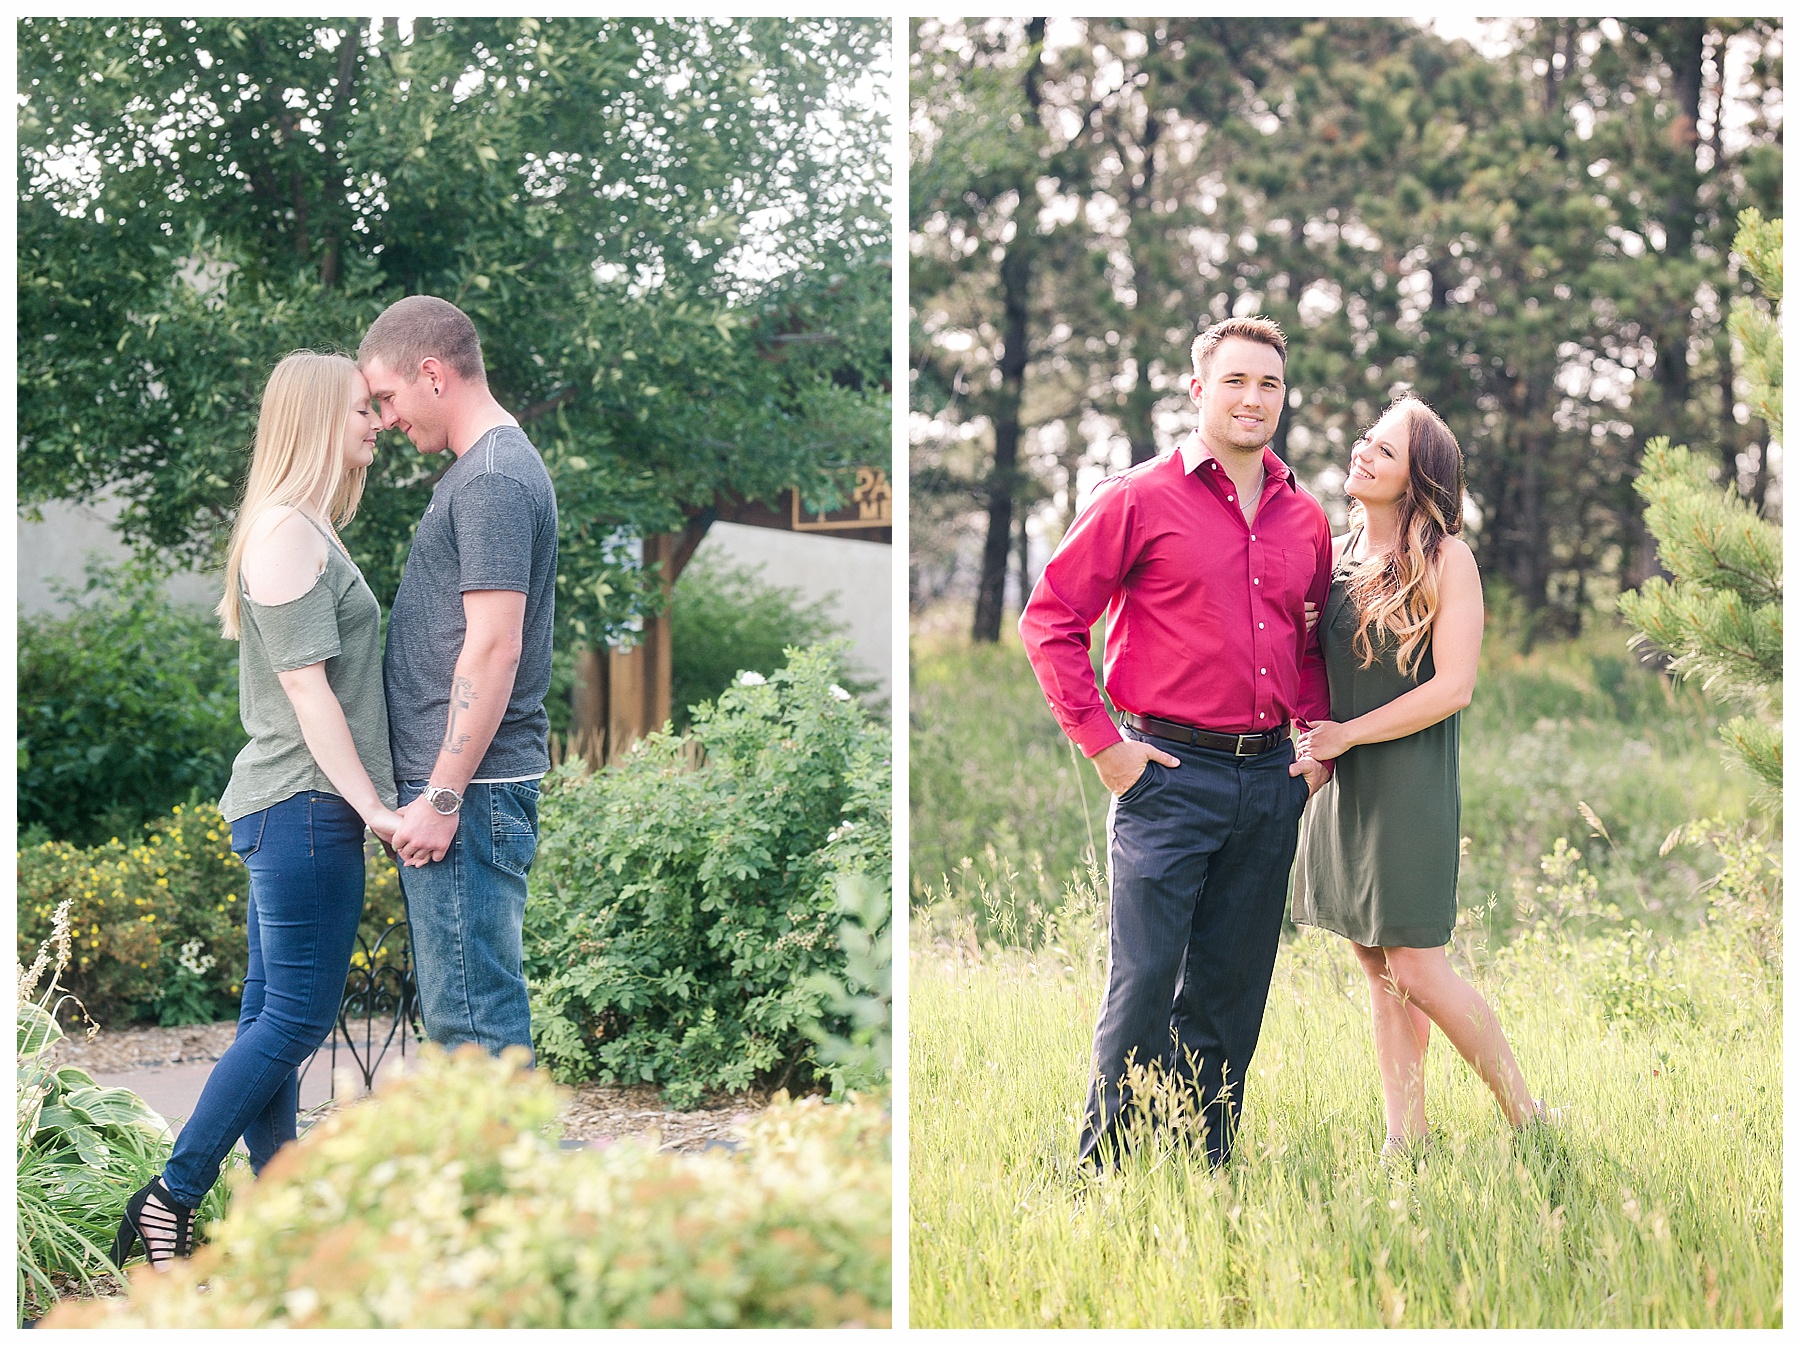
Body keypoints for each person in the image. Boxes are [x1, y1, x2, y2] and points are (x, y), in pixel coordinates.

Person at [1020, 315, 1332, 1170]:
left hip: (1270, 782)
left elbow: (1308, 646)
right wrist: (1106, 749)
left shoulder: (1305, 516)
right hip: (1165, 775)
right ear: (1199, 390)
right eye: (1234, 381)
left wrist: (1314, 753)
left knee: (1232, 993)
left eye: (1268, 384)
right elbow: (1050, 621)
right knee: (1146, 984)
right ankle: (1105, 1173)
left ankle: (1201, 1168)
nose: (1252, 399)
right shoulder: (1136, 498)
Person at [113, 352, 402, 1268]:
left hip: (296, 811)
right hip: (304, 808)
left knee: (270, 1019)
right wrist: (377, 807)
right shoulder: (286, 531)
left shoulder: (306, 525)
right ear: (319, 418)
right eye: (363, 409)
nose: (379, 422)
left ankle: (281, 1224)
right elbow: (308, 692)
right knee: (296, 1022)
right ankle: (170, 1195)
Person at [1291, 395, 1548, 1157]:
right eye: (1365, 440)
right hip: (1340, 786)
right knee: (1375, 967)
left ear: (1418, 478)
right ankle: (1408, 1138)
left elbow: (1452, 687)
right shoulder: (1332, 556)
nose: (1363, 454)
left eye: (1386, 451)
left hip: (1406, 782)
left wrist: (1347, 735)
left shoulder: (1446, 560)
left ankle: (1528, 1117)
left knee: (1417, 966)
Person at [358, 295, 558, 1059]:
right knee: (463, 1017)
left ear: (433, 374)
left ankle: (500, 1181)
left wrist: (440, 796)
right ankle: (492, 1176)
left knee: (471, 1024)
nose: (383, 419)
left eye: (387, 397)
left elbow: (494, 648)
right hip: (461, 794)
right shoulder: (487, 472)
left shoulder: (491, 481)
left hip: (466, 796)